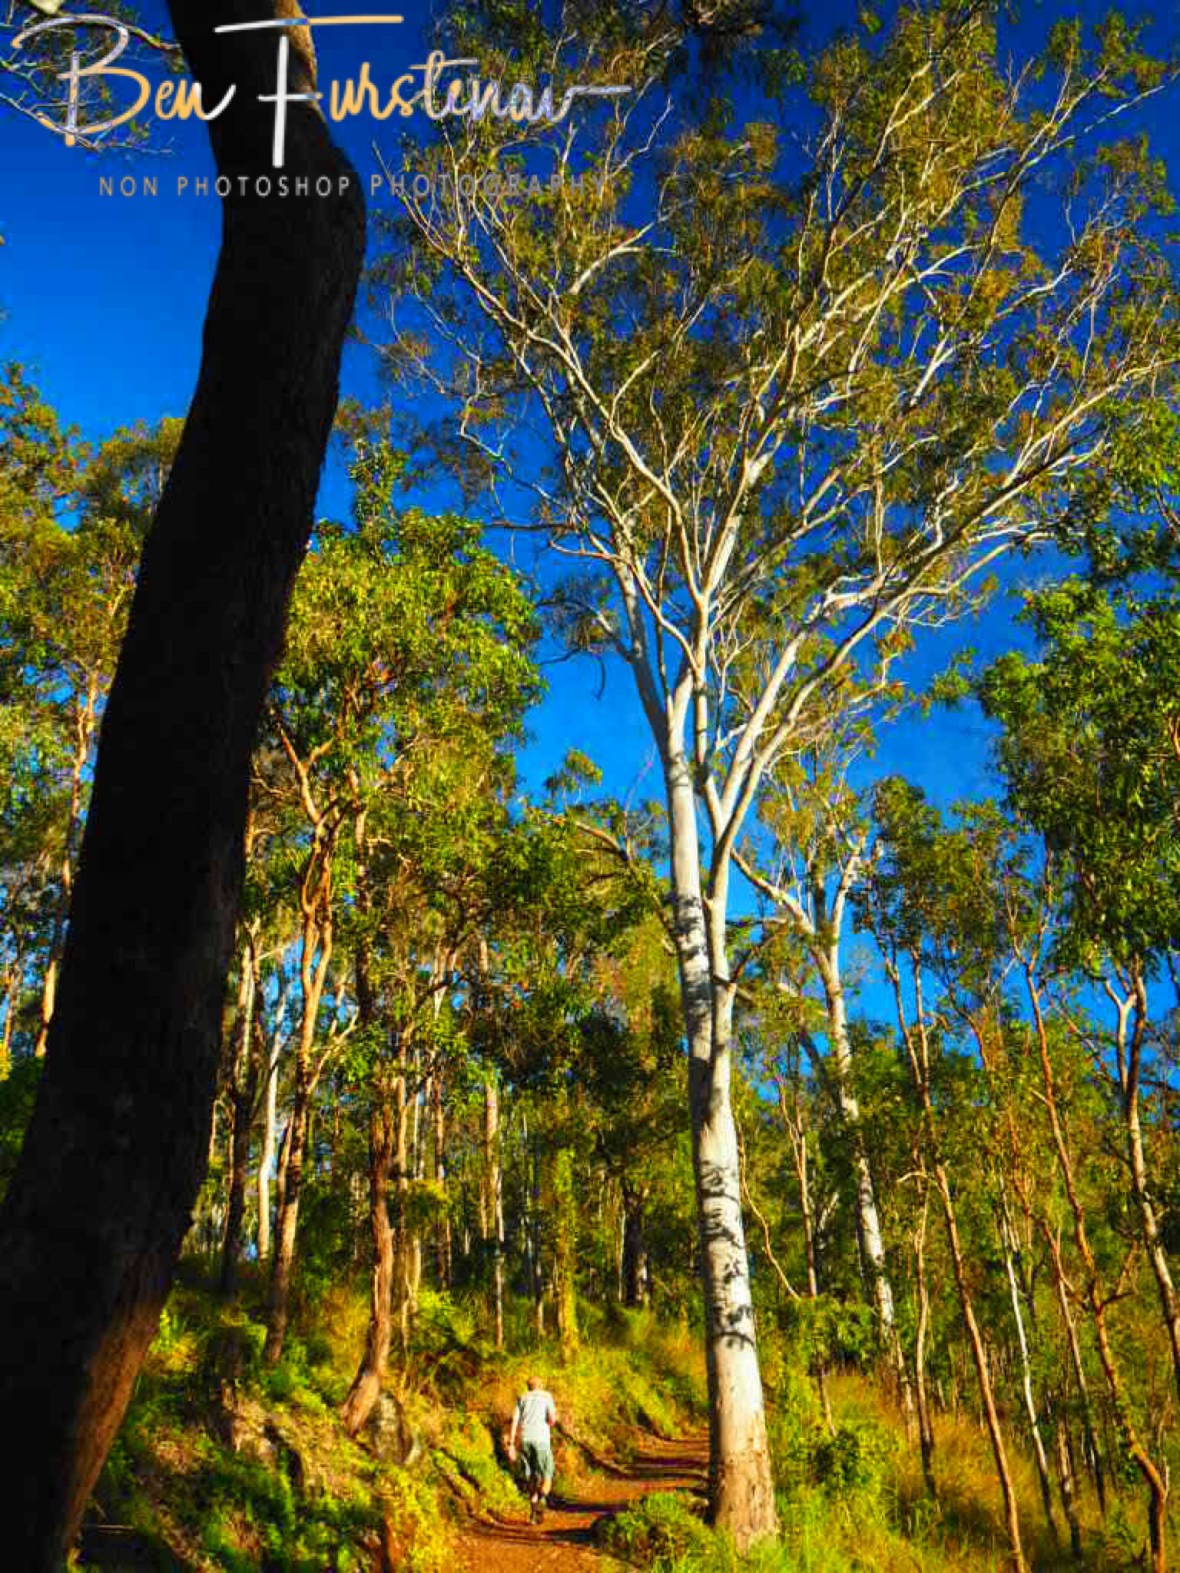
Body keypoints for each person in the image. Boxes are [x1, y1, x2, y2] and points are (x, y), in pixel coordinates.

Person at [507, 1374, 558, 1523]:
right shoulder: (546, 1396)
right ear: (540, 1385)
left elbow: (515, 1421)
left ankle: (533, 1512)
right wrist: (551, 1419)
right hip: (541, 1441)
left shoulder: (522, 1398)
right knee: (547, 1475)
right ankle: (541, 1499)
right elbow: (552, 1420)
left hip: (526, 1441)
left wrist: (511, 1444)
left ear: (528, 1387)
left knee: (531, 1476)